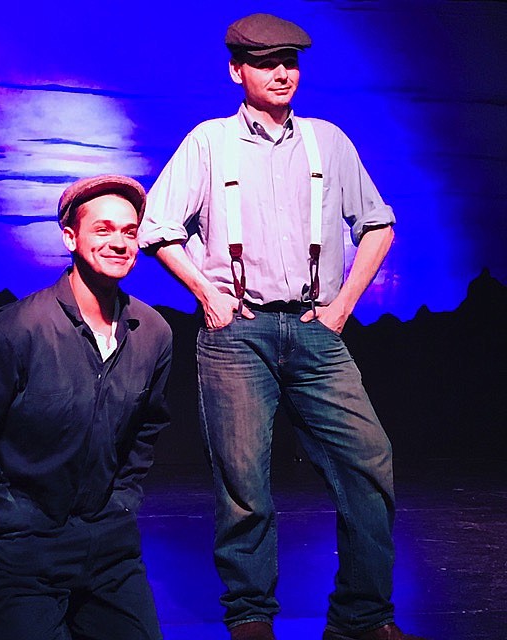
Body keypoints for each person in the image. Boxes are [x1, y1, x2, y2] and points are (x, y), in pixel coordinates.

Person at [138, 12, 428, 640]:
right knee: (244, 482)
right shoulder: (210, 142)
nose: (281, 73)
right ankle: (250, 618)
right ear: (236, 70)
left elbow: (377, 224)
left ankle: (363, 615)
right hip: (237, 336)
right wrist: (206, 293)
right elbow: (156, 227)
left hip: (316, 332)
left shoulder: (327, 141)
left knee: (368, 462)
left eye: (289, 62)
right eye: (266, 63)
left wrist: (344, 304)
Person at [0, 175, 172, 640]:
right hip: (22, 545)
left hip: (108, 546)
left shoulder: (154, 332)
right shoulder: (19, 328)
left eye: (129, 231)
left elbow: (147, 431)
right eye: (103, 229)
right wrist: (4, 517)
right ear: (70, 236)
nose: (119, 242)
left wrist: (122, 503)